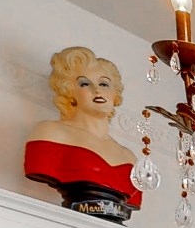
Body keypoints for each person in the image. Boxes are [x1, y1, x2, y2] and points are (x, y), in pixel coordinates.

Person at [23, 47, 141, 219]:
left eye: (104, 84)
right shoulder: (50, 132)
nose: (97, 90)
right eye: (85, 84)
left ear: (115, 94)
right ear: (70, 92)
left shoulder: (129, 157)